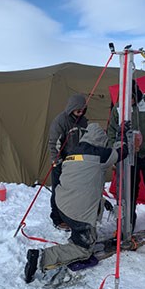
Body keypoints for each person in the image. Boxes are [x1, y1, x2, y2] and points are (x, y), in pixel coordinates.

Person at [24, 123, 127, 284]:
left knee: (81, 223)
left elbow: (84, 183)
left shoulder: (73, 153)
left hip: (63, 205)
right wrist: (123, 135)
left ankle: (77, 234)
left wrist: (102, 202)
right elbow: (122, 152)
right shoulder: (101, 154)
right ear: (100, 140)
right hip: (78, 211)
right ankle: (41, 258)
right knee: (84, 249)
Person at [107, 81, 145, 235]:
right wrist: (116, 151)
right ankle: (126, 225)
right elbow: (111, 131)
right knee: (127, 192)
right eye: (125, 99)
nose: (128, 102)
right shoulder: (118, 108)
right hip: (127, 157)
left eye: (130, 98)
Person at [46, 94, 89, 231]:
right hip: (61, 162)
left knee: (74, 191)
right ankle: (57, 219)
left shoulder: (83, 121)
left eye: (82, 110)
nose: (80, 113)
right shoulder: (60, 121)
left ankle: (72, 216)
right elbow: (53, 143)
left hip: (77, 163)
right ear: (72, 108)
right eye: (78, 110)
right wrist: (57, 161)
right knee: (58, 191)